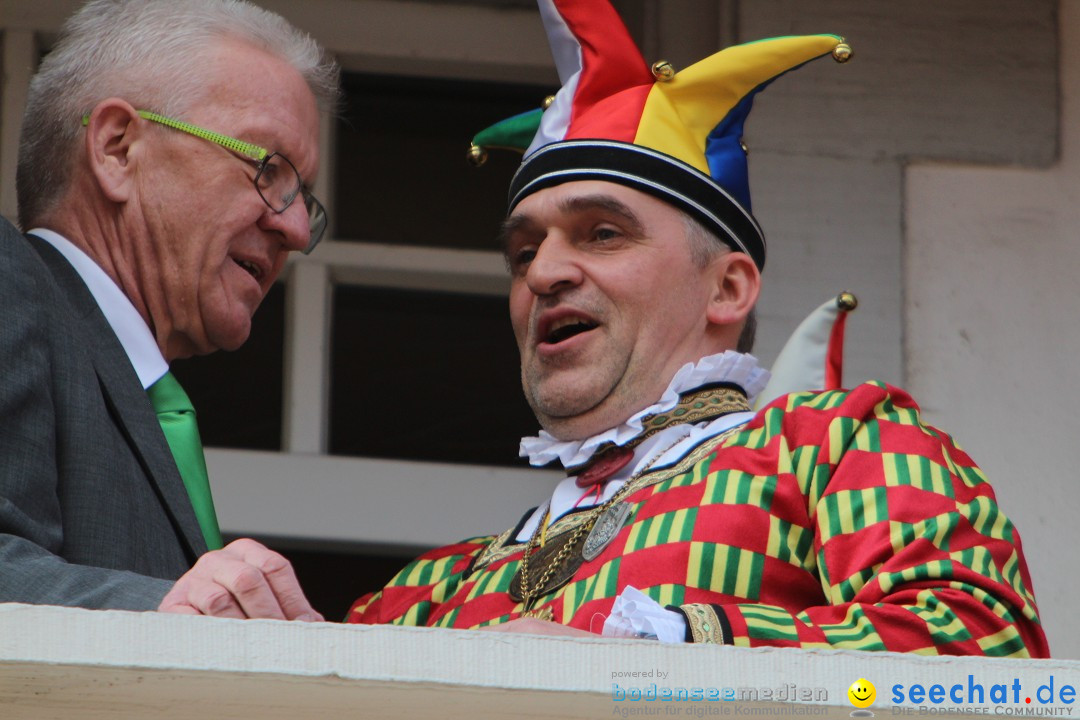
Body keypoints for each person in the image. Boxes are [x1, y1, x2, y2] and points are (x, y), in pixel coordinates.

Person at [339, 0, 1048, 655]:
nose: (543, 271)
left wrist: (663, 654)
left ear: (727, 287)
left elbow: (980, 656)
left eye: (603, 233)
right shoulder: (430, 594)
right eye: (524, 251)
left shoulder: (832, 447)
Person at [0, 0, 337, 619]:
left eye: (302, 198)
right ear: (118, 149)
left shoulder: (139, 394)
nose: (292, 228)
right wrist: (180, 619)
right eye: (267, 168)